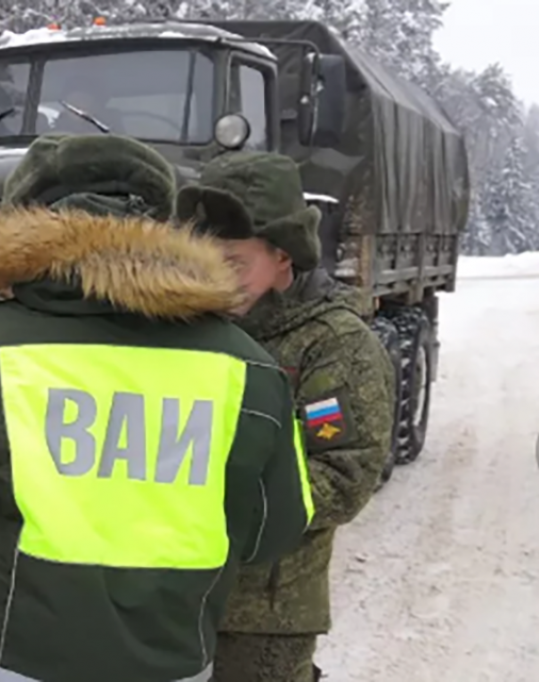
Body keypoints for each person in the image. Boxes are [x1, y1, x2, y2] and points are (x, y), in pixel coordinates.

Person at [0, 133, 315, 682]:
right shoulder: (249, 367)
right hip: (170, 663)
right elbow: (274, 526)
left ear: (23, 222)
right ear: (163, 226)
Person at [176, 151, 395, 682]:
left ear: (283, 256)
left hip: (262, 619)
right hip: (168, 598)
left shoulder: (333, 344)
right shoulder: (179, 331)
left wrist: (212, 505)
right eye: (201, 260)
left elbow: (341, 475)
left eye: (233, 262)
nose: (214, 278)